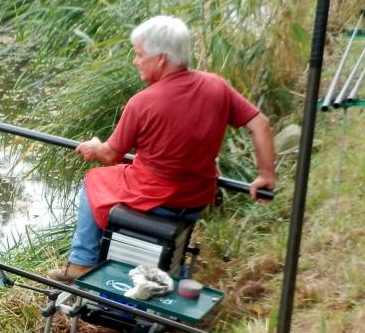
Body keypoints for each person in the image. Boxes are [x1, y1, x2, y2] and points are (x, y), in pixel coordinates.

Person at [50, 15, 277, 282]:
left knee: (94, 180)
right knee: (122, 175)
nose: (135, 61)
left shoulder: (142, 102)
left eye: (139, 54)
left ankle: (81, 263)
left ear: (161, 59)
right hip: (196, 198)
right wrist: (266, 175)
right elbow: (260, 124)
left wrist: (94, 147)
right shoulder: (217, 85)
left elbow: (111, 156)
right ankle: (161, 264)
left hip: (158, 198)